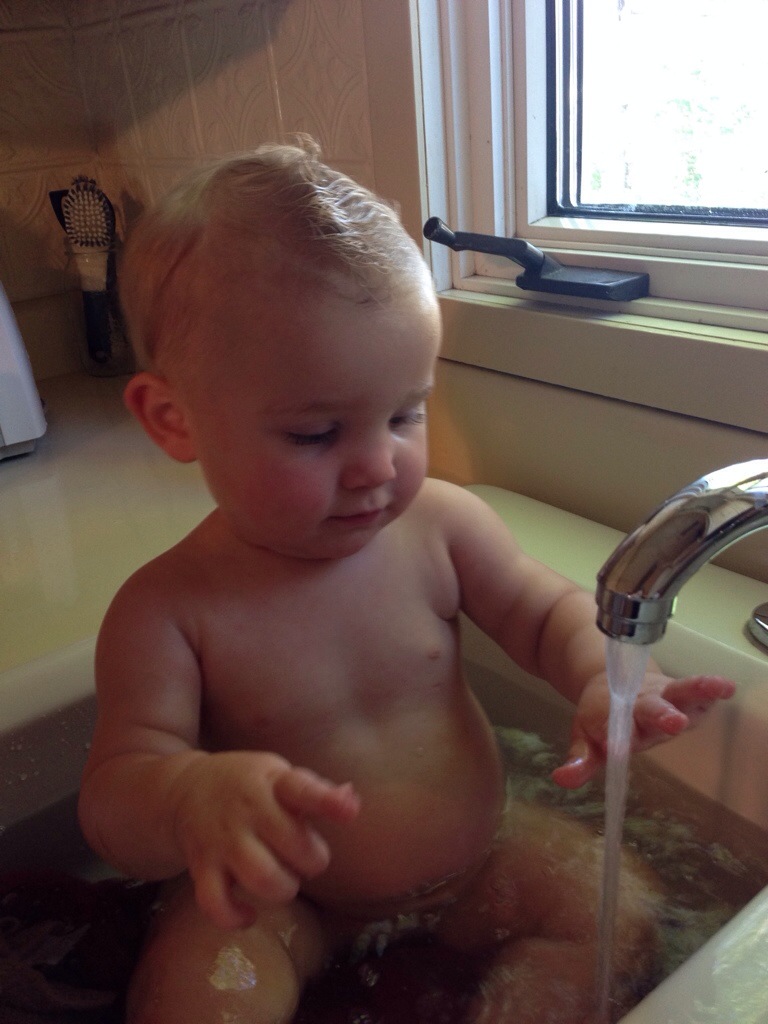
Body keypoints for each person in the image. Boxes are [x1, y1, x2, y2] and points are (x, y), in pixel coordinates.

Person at [78, 141, 735, 1024]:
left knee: (621, 910)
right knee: (198, 996)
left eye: (403, 414)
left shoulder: (440, 527)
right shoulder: (168, 611)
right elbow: (114, 797)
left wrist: (602, 678)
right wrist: (188, 797)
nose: (377, 467)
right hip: (282, 902)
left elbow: (545, 614)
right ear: (173, 418)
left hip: (480, 860)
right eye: (315, 434)